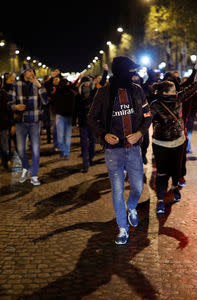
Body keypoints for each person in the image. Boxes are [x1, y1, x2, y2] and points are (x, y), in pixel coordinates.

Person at [88, 56, 152, 245]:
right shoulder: (104, 93)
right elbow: (91, 118)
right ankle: (122, 228)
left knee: (138, 187)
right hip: (113, 152)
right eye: (130, 72)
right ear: (122, 72)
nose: (133, 75)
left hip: (133, 149)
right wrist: (104, 134)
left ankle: (131, 206)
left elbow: (148, 117)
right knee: (117, 190)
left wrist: (140, 133)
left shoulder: (137, 91)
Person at [150, 68, 197, 214]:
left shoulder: (178, 98)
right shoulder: (154, 105)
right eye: (173, 90)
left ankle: (174, 188)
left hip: (178, 142)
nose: (176, 91)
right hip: (160, 144)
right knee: (161, 173)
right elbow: (143, 122)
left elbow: (193, 87)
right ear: (165, 92)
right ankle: (160, 200)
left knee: (176, 170)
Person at [9, 64, 48, 186]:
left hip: (35, 121)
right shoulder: (16, 85)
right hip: (21, 121)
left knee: (36, 149)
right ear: (23, 73)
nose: (31, 73)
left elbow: (46, 101)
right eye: (28, 71)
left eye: (32, 71)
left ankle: (34, 175)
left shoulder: (38, 84)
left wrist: (40, 87)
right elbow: (9, 103)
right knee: (20, 149)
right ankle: (26, 167)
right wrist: (16, 107)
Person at [74, 76, 96, 172]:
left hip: (93, 121)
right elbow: (74, 109)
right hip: (83, 121)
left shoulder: (94, 93)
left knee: (92, 141)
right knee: (84, 143)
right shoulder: (78, 95)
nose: (87, 84)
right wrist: (73, 122)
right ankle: (85, 164)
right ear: (82, 84)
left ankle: (90, 158)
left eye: (88, 82)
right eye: (85, 82)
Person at [53, 79, 76, 160]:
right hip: (62, 116)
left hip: (65, 116)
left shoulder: (69, 93)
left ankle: (65, 152)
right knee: (64, 136)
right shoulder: (69, 92)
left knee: (64, 136)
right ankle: (64, 151)